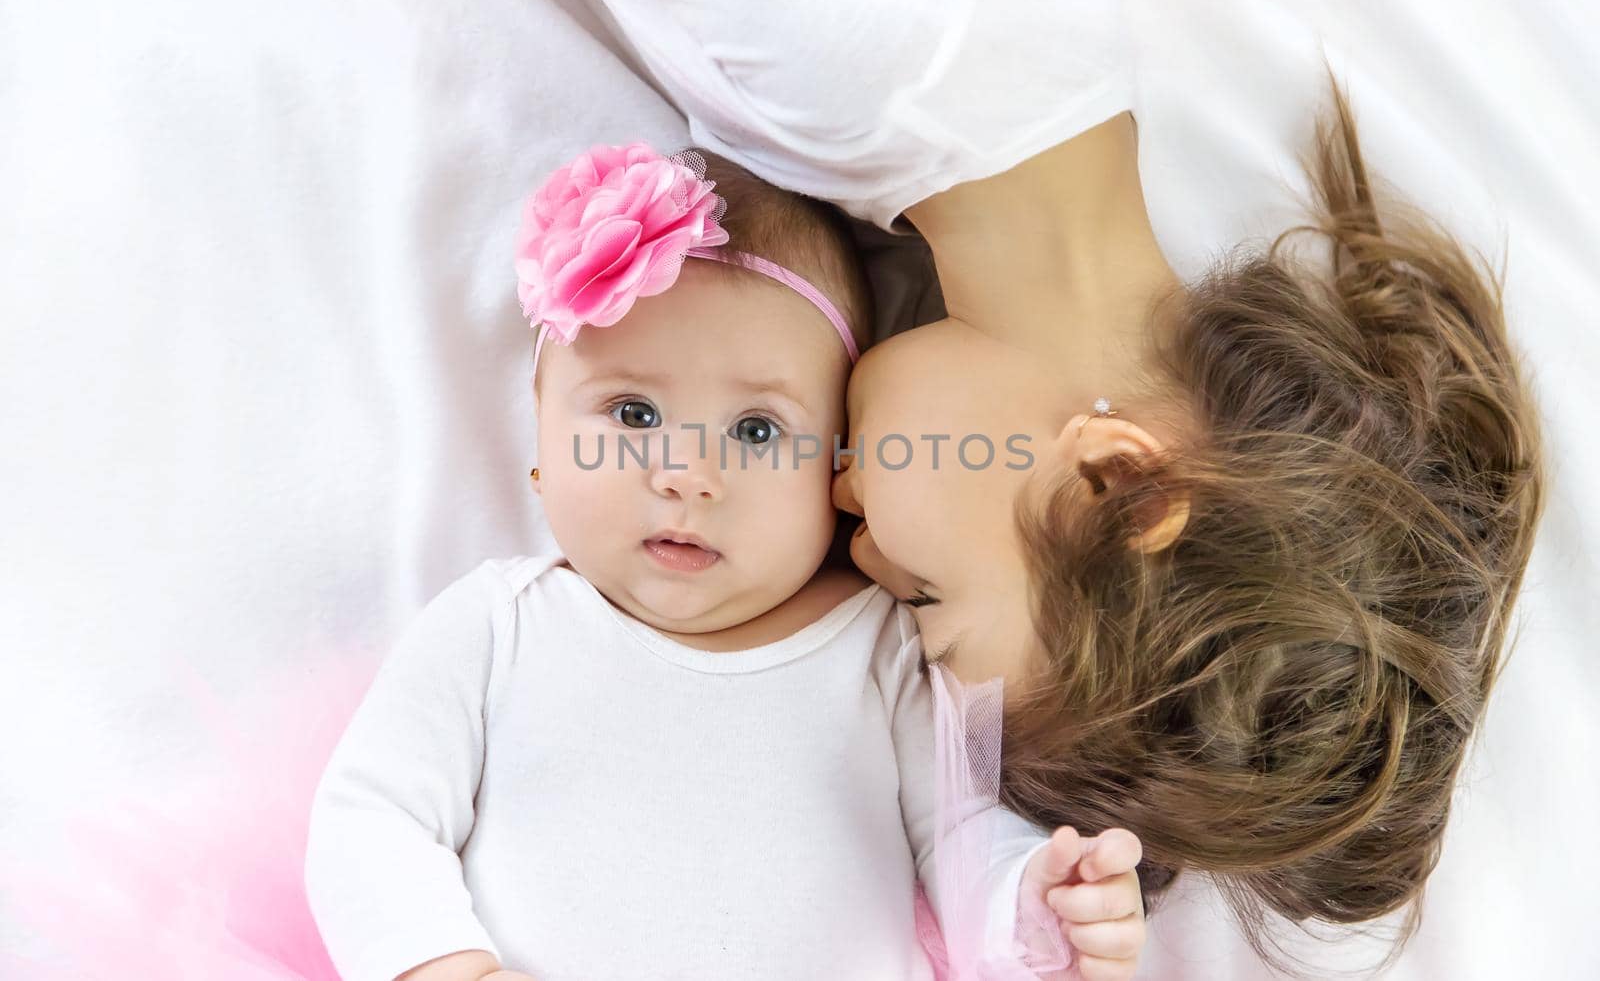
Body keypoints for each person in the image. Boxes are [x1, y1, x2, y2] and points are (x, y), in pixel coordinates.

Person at [524, 0, 1546, 958]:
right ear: (1117, 480)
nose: (849, 535)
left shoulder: (1013, 75)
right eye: (929, 598)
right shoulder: (854, 44)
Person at [304, 144, 1151, 981]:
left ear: (838, 464)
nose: (686, 475)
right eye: (632, 412)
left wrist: (1036, 907)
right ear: (542, 430)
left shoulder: (884, 647)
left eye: (757, 430)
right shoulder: (499, 627)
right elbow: (372, 812)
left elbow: (964, 833)